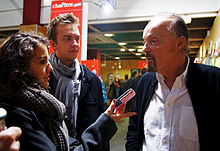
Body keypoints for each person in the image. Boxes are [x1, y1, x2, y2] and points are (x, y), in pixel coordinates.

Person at [0, 33, 136, 151]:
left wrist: (107, 118)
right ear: (19, 69)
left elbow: (70, 145)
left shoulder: (43, 105)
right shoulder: (17, 114)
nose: (50, 68)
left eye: (77, 38)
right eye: (42, 62)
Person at [126, 12, 220, 151]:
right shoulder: (145, 82)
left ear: (180, 43)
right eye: (144, 42)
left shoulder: (212, 80)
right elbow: (134, 129)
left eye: (153, 41)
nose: (144, 49)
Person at [47, 13, 106, 146]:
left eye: (77, 39)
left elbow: (99, 127)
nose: (75, 44)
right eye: (68, 38)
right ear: (53, 44)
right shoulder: (43, 77)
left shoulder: (91, 80)